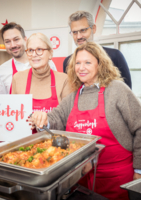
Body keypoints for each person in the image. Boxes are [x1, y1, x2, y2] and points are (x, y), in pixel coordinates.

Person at [30, 42, 141, 200]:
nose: (81, 68)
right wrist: (42, 117)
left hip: (118, 178)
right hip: (82, 178)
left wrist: (139, 170)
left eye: (88, 62)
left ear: (100, 64)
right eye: (78, 63)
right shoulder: (74, 97)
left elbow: (140, 128)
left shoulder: (117, 90)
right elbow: (54, 119)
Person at [12, 33, 71, 132]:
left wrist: (46, 120)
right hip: (24, 144)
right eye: (30, 50)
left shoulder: (64, 80)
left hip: (54, 144)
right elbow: (13, 115)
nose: (34, 54)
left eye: (39, 50)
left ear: (50, 53)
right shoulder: (17, 78)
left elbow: (68, 120)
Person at [63, 11, 132, 88]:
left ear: (93, 28)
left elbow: (126, 92)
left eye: (83, 30)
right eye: (75, 32)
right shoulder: (68, 61)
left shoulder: (114, 55)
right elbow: (69, 91)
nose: (79, 36)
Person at [0, 22, 57, 94]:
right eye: (7, 41)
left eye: (16, 39)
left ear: (25, 39)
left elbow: (56, 91)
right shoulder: (2, 70)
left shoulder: (47, 63)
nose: (13, 45)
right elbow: (3, 101)